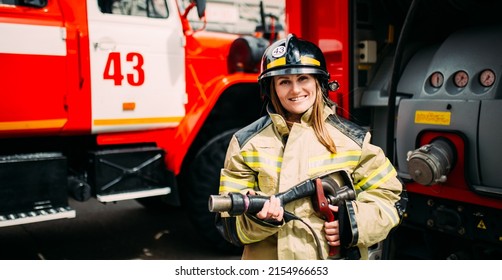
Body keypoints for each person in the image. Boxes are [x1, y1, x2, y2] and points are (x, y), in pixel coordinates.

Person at [215, 34, 403, 260]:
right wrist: (260, 220)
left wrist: (352, 223)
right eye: (284, 81)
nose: (295, 90)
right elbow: (229, 225)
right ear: (272, 88)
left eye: (303, 78)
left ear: (318, 82)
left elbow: (390, 197)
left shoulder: (353, 140)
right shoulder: (246, 143)